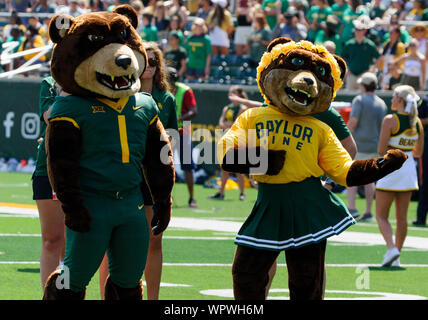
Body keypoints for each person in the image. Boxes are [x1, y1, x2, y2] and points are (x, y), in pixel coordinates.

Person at [98, 42, 178, 300]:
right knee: (112, 242)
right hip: (126, 174)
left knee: (154, 240)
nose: (149, 67)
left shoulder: (166, 99)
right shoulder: (119, 93)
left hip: (153, 177)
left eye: (155, 63)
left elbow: (174, 139)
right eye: (146, 61)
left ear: (159, 68)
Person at [375, 85, 424, 267]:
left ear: (400, 100)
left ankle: (391, 248)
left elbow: (380, 150)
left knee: (381, 216)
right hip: (408, 170)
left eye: (394, 96)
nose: (392, 99)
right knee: (402, 218)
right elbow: (418, 152)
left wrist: (393, 149)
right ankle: (397, 255)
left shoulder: (390, 120)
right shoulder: (416, 122)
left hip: (390, 168)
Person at [33, 76, 66, 291]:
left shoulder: (96, 80)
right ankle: (50, 295)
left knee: (79, 242)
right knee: (52, 239)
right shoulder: (50, 83)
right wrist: (66, 89)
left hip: (88, 169)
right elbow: (50, 116)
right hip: (50, 168)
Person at [346, 72, 387, 221]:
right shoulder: (381, 103)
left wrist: (342, 139)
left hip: (358, 145)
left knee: (352, 176)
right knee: (370, 180)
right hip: (374, 146)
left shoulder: (359, 100)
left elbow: (353, 122)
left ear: (363, 85)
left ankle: (351, 209)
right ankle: (369, 212)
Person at [210, 85, 249, 201]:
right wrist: (228, 124)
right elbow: (221, 122)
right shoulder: (227, 108)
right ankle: (221, 193)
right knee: (225, 168)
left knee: (238, 169)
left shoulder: (243, 108)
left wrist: (228, 124)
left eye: (234, 93)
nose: (232, 96)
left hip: (238, 140)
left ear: (240, 95)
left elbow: (235, 124)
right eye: (230, 93)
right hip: (227, 138)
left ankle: (242, 194)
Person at [168, 67, 198, 208]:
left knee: (187, 166)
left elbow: (193, 111)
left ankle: (192, 198)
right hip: (166, 132)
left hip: (183, 131)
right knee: (165, 166)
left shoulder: (185, 90)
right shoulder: (160, 89)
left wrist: (178, 118)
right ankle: (166, 196)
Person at [342, 15, 380, 90]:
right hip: (351, 75)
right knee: (349, 96)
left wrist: (372, 70)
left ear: (364, 31)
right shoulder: (349, 44)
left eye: (360, 29)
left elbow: (379, 58)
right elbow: (343, 57)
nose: (357, 31)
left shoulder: (370, 44)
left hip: (364, 75)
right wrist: (347, 69)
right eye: (356, 29)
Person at [377, 26, 405, 90]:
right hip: (385, 71)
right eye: (389, 32)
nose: (389, 34)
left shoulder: (400, 46)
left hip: (394, 72)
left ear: (397, 34)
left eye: (392, 32)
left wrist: (394, 68)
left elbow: (402, 60)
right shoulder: (386, 44)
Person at [415, 94, 428, 226]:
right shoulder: (424, 101)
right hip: (426, 145)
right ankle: (421, 217)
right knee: (425, 181)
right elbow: (417, 120)